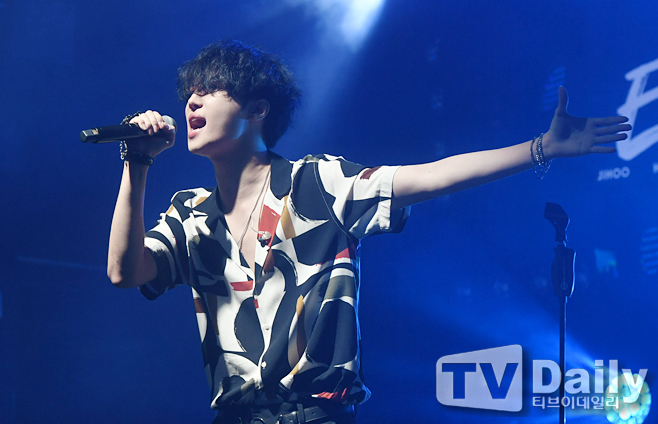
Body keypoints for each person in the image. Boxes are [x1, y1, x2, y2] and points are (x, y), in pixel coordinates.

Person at [106, 40, 631, 424]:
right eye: (189, 93)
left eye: (210, 90)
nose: (192, 102)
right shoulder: (191, 214)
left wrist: (540, 147)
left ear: (258, 109)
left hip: (319, 415)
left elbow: (431, 176)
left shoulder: (317, 183)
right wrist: (137, 161)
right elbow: (124, 271)